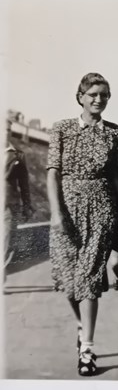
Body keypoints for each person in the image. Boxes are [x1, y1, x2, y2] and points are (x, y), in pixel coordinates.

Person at [47, 72, 118, 376]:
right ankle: (82, 325)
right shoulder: (62, 129)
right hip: (66, 209)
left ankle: (88, 350)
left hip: (101, 208)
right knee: (68, 279)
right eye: (93, 94)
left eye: (104, 95)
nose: (99, 100)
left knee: (89, 276)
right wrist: (56, 212)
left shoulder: (114, 133)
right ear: (80, 96)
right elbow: (52, 172)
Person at [4, 119, 34, 282]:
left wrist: (27, 205)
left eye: (8, 129)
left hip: (9, 206)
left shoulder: (18, 155)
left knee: (7, 240)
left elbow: (24, 184)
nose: (5, 132)